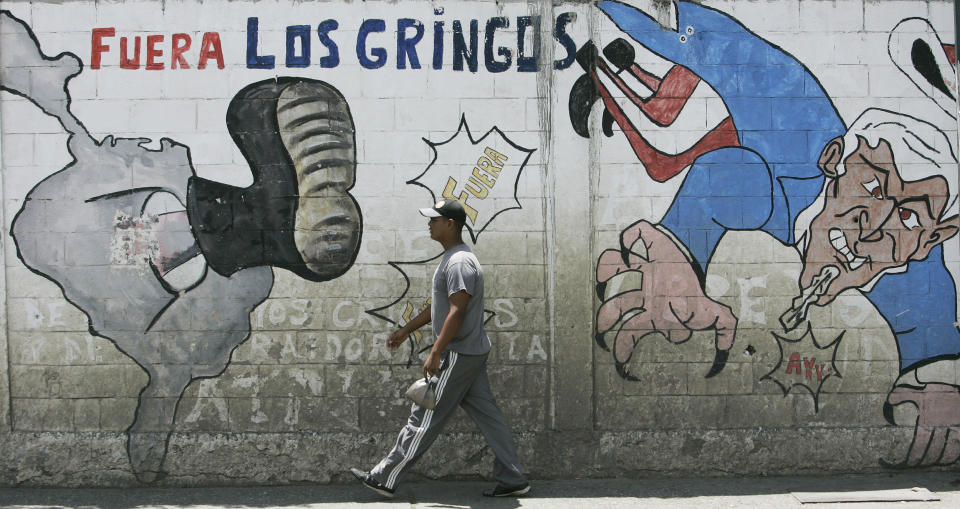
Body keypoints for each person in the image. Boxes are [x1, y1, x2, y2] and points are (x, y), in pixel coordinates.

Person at [351, 199, 530, 498]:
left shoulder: (459, 262)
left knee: (424, 413)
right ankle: (513, 477)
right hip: (471, 351)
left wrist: (436, 351)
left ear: (451, 224)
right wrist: (406, 330)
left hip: (459, 353)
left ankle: (384, 477)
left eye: (435, 219)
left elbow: (457, 311)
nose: (429, 224)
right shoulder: (454, 258)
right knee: (489, 416)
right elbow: (440, 306)